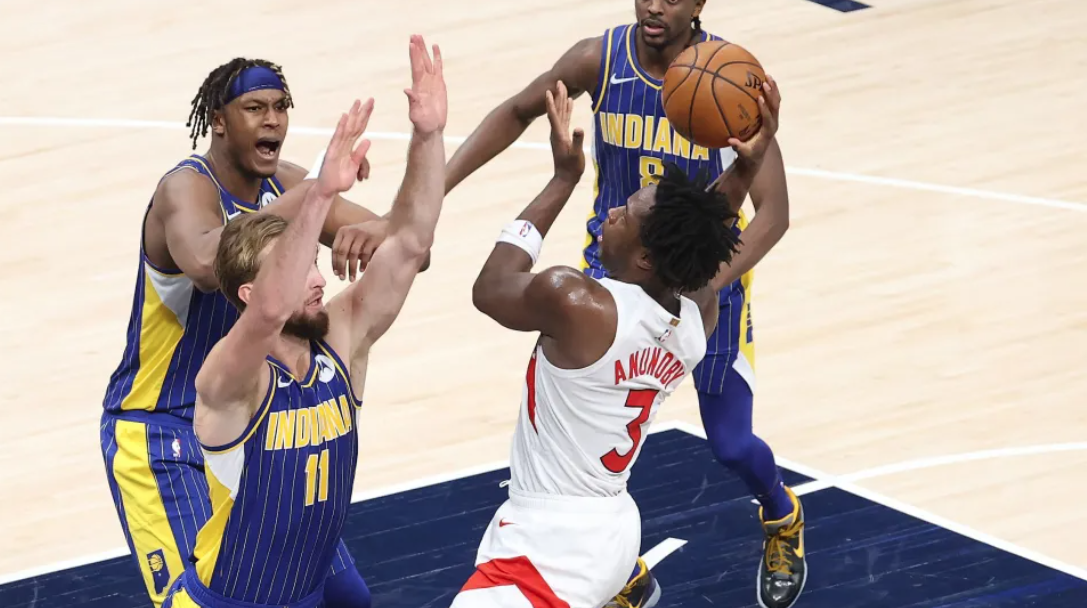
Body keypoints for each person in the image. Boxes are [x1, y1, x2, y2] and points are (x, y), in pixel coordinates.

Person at [444, 2, 801, 607]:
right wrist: (739, 179)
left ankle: (782, 514)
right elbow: (696, 269)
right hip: (663, 308)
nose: (611, 209)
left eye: (626, 210)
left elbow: (490, 289)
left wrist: (561, 179)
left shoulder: (572, 301)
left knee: (732, 444)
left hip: (556, 539)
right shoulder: (695, 318)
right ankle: (621, 579)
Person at [98, 54, 413, 607]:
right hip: (163, 429)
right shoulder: (185, 189)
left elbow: (409, 249)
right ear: (219, 121)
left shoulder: (287, 183)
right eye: (254, 108)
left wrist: (380, 229)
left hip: (257, 419)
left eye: (280, 107)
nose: (272, 119)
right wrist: (315, 198)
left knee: (346, 597)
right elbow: (205, 264)